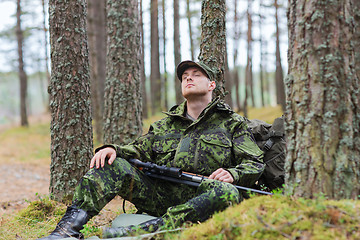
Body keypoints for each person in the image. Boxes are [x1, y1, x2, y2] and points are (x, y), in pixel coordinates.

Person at [37, 60, 264, 240]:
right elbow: (138, 150)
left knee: (228, 192)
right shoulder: (164, 125)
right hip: (162, 197)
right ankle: (66, 231)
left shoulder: (232, 123)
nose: (188, 78)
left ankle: (144, 231)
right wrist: (112, 149)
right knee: (112, 163)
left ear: (211, 85)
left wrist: (233, 174)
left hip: (205, 198)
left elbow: (255, 162)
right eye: (185, 77)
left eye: (196, 75)